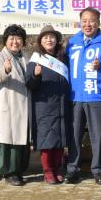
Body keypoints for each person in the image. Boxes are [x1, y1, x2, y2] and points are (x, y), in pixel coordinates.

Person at [65, 7, 101, 185]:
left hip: (97, 95)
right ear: (80, 22)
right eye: (85, 21)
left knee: (98, 135)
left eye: (92, 21)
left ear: (98, 23)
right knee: (74, 135)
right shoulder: (72, 42)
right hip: (75, 96)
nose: (88, 24)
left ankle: (99, 170)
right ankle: (72, 169)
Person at [26, 24, 71, 185]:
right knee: (47, 141)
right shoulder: (36, 59)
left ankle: (57, 169)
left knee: (59, 140)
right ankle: (47, 171)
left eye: (51, 37)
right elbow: (29, 83)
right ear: (40, 41)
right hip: (44, 106)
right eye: (45, 37)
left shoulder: (63, 58)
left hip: (61, 105)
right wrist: (36, 75)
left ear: (57, 39)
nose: (49, 40)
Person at [0, 24, 31, 186]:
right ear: (5, 41)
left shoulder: (26, 57)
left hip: (24, 104)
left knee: (21, 138)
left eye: (18, 38)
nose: (15, 42)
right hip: (8, 104)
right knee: (9, 138)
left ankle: (19, 170)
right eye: (11, 38)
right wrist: (6, 70)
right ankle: (8, 172)